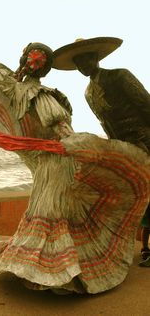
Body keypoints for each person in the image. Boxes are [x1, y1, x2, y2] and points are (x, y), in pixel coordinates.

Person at [0, 42, 150, 294]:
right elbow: (55, 125)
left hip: (56, 160)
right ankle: (51, 270)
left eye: (35, 62)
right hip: (55, 161)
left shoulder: (29, 92)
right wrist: (76, 143)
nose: (32, 65)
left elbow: (1, 81)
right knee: (53, 212)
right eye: (34, 61)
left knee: (51, 211)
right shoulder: (40, 94)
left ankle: (48, 269)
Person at [53, 37, 150, 267]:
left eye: (86, 58)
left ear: (96, 58)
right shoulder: (88, 93)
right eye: (78, 63)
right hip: (124, 149)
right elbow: (105, 124)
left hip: (145, 140)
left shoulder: (120, 76)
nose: (83, 65)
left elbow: (146, 105)